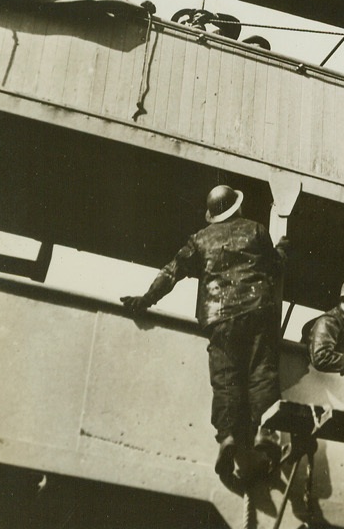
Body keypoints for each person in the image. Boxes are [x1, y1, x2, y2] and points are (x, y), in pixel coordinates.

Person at [120, 185, 289, 484]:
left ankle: (227, 438)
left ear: (213, 214)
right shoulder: (257, 230)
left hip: (219, 318)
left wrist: (145, 300)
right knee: (262, 373)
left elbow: (172, 272)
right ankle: (265, 433)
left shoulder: (199, 239)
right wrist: (282, 251)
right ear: (237, 207)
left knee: (225, 381)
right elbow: (275, 268)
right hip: (257, 312)